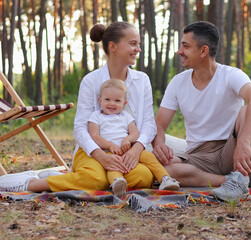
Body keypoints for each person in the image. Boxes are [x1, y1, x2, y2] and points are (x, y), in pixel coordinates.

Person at [0, 21, 159, 195]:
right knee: (96, 180)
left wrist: (136, 150)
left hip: (125, 152)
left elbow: (149, 123)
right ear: (113, 46)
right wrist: (101, 156)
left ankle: (75, 178)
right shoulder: (91, 81)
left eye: (138, 44)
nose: (138, 49)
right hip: (92, 151)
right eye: (133, 44)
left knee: (143, 177)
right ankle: (31, 183)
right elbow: (80, 128)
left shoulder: (142, 80)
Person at [151, 21, 251, 201]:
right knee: (164, 170)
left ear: (203, 51)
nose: (179, 51)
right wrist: (159, 144)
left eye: (185, 46)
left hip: (231, 148)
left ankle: (240, 177)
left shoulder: (231, 75)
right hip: (198, 156)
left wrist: (243, 143)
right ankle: (235, 180)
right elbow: (159, 124)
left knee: (248, 111)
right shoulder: (177, 82)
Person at [88, 79, 179, 197]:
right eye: (107, 99)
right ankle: (117, 183)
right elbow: (94, 135)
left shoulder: (125, 116)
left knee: (149, 157)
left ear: (124, 103)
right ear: (100, 100)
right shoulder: (96, 116)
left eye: (117, 100)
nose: (112, 103)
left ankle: (165, 179)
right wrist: (109, 145)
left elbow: (135, 132)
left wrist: (128, 139)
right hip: (108, 151)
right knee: (114, 166)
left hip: (128, 150)